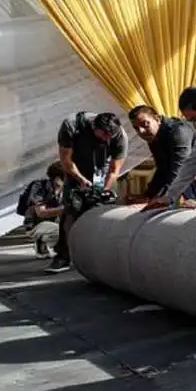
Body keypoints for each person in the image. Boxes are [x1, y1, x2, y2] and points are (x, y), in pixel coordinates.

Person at [50, 111, 128, 273]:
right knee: (71, 209)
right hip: (76, 169)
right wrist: (81, 180)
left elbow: (115, 170)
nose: (108, 139)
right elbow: (66, 160)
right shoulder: (71, 126)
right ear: (94, 127)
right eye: (104, 135)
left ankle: (102, 255)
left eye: (110, 137)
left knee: (105, 208)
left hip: (103, 171)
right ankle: (63, 256)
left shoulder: (119, 136)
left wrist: (105, 190)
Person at [126, 104, 196, 205]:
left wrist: (163, 197)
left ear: (157, 119)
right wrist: (148, 196)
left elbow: (180, 170)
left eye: (145, 124)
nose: (141, 131)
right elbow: (162, 170)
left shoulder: (178, 132)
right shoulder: (153, 137)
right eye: (136, 128)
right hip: (194, 169)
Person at [22, 161, 65, 259]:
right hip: (36, 224)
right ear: (57, 179)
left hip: (55, 222)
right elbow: (41, 213)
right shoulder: (39, 187)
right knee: (64, 231)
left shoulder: (64, 189)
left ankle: (55, 245)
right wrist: (63, 209)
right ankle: (41, 241)